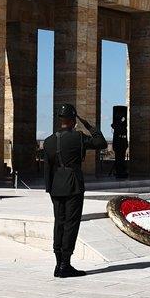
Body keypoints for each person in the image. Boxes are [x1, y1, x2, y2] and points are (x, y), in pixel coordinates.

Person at [42, 103, 107, 278]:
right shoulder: (78, 137)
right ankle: (65, 265)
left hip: (56, 187)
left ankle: (58, 264)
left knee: (59, 224)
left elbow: (47, 169)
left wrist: (50, 188)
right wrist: (89, 126)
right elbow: (101, 143)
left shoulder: (48, 141)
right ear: (73, 120)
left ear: (60, 120)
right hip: (73, 185)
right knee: (71, 224)